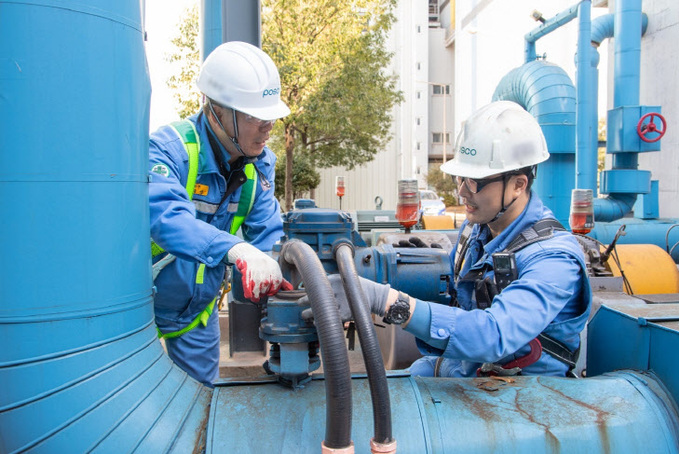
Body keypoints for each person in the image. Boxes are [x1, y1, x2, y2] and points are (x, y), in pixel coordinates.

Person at [315, 101, 592, 377]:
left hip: (525, 398)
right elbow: (451, 291)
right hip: (466, 371)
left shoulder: (553, 259)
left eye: (474, 182)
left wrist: (386, 301)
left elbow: (493, 336)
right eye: (460, 178)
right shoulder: (477, 230)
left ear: (519, 184)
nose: (461, 192)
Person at [149, 41, 292, 386]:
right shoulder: (169, 151)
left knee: (201, 407)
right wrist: (237, 249)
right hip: (139, 312)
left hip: (197, 315)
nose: (268, 126)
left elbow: (270, 237)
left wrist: (294, 280)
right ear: (216, 111)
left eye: (270, 115)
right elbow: (166, 218)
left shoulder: (257, 168)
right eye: (255, 115)